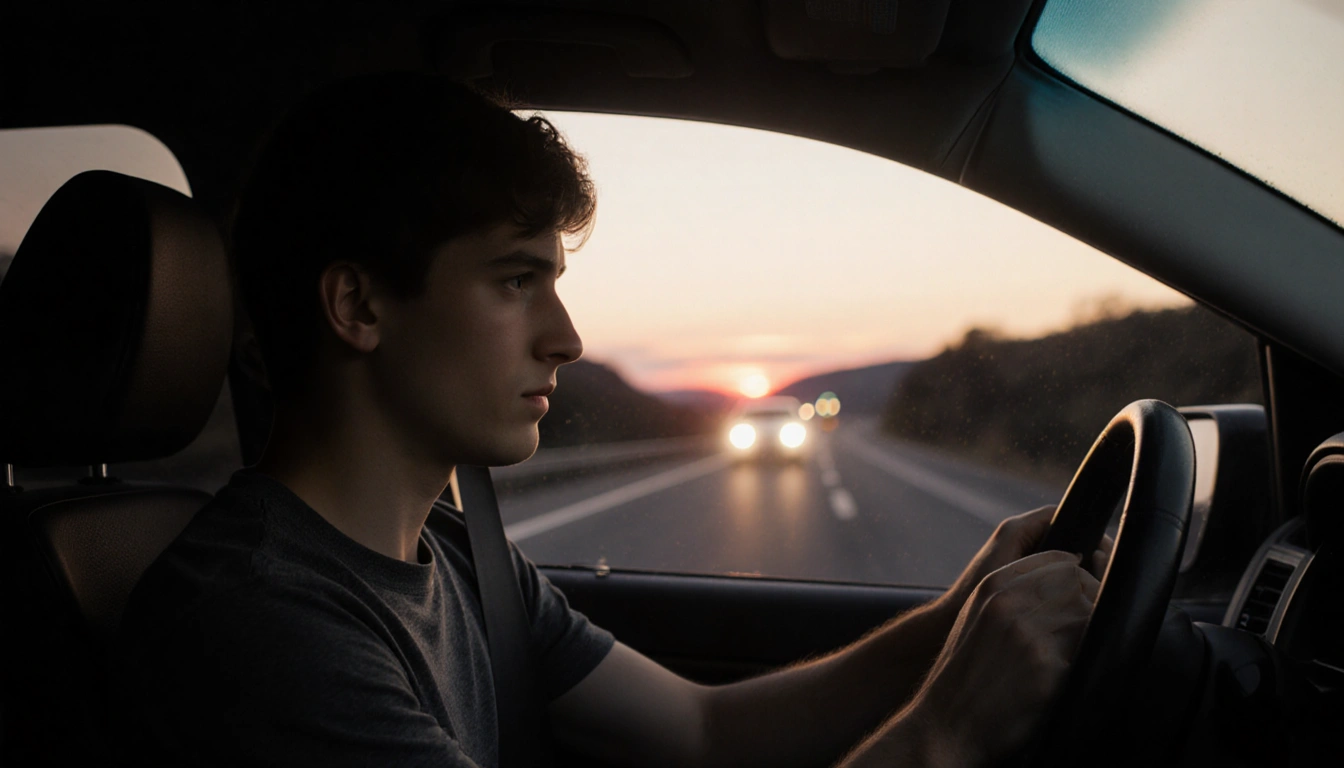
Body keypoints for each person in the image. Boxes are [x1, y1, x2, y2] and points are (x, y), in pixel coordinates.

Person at [119, 72, 1103, 768]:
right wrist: (947, 733)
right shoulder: (260, 626)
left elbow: (703, 734)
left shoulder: (460, 559)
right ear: (359, 308)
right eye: (517, 281)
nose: (568, 337)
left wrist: (964, 610)